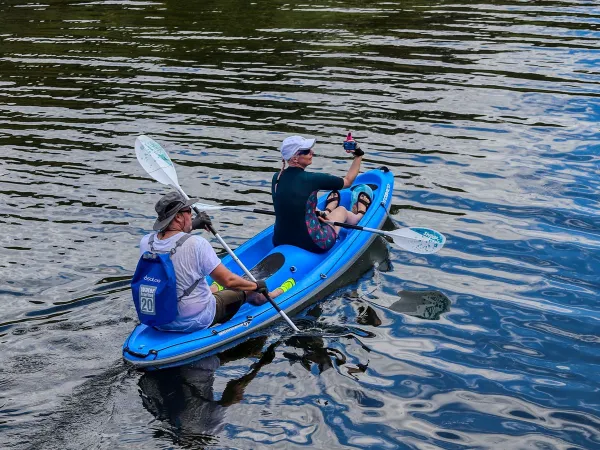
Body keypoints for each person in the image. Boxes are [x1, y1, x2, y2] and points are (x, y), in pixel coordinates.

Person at [139, 191, 278, 332]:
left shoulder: (146, 242)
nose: (191, 214)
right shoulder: (197, 243)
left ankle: (213, 291)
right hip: (194, 320)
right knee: (247, 290)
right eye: (188, 211)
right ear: (179, 217)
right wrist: (255, 285)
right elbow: (228, 280)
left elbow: (171, 242)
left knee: (201, 284)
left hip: (159, 319)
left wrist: (192, 225)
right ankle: (266, 297)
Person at [271, 135, 372, 253]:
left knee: (307, 206)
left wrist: (318, 213)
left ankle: (325, 212)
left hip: (279, 240)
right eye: (307, 151)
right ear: (294, 158)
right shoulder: (313, 179)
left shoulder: (276, 177)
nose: (312, 152)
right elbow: (348, 181)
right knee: (342, 210)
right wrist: (358, 155)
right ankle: (358, 216)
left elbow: (292, 202)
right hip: (313, 243)